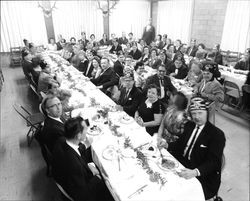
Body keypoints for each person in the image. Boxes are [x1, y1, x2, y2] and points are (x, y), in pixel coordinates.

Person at [167, 97, 226, 200]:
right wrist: (167, 145)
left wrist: (195, 172)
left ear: (207, 113)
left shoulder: (217, 135)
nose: (197, 117)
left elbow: (213, 162)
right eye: (194, 113)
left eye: (200, 113)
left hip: (203, 176)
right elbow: (180, 145)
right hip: (183, 164)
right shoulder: (189, 125)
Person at [52, 116, 113, 201]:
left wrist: (85, 147)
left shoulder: (61, 140)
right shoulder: (74, 164)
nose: (87, 131)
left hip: (70, 177)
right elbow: (82, 195)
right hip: (81, 192)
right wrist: (96, 176)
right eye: (85, 129)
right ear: (79, 135)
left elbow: (75, 150)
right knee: (108, 180)